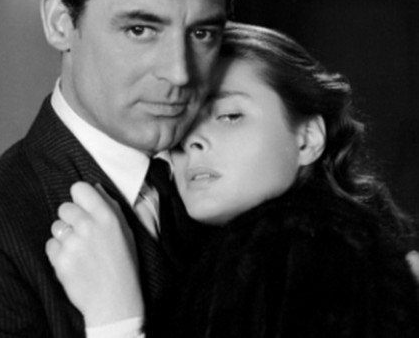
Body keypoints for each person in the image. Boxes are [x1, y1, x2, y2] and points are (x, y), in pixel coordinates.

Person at [0, 0, 236, 336]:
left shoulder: (249, 192)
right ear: (60, 22)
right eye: (140, 29)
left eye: (202, 33)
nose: (179, 72)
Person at [48, 22, 419, 337]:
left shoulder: (292, 251)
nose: (191, 140)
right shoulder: (317, 248)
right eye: (181, 120)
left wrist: (116, 319)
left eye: (228, 115)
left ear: (307, 139)